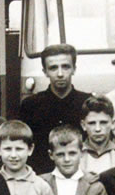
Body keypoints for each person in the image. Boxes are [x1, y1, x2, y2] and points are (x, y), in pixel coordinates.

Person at [19, 43, 91, 174]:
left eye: (65, 67)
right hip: (41, 178)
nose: (60, 74)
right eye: (53, 68)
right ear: (45, 71)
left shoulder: (87, 103)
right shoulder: (30, 106)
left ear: (74, 69)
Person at [79, 95, 115, 175]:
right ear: (83, 125)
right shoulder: (75, 154)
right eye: (92, 123)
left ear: (112, 123)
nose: (98, 129)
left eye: (103, 122)